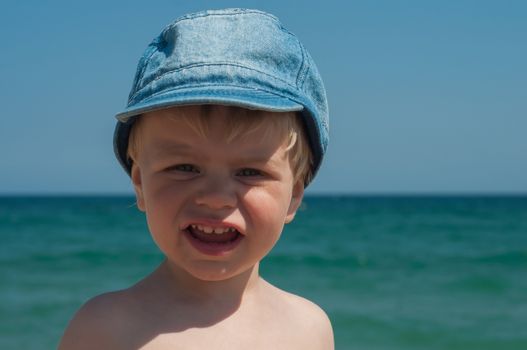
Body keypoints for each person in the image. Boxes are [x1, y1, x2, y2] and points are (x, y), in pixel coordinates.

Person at [59, 8, 333, 349]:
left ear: (293, 195)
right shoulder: (105, 329)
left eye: (250, 172)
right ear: (140, 183)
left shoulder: (308, 327)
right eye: (184, 168)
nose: (215, 197)